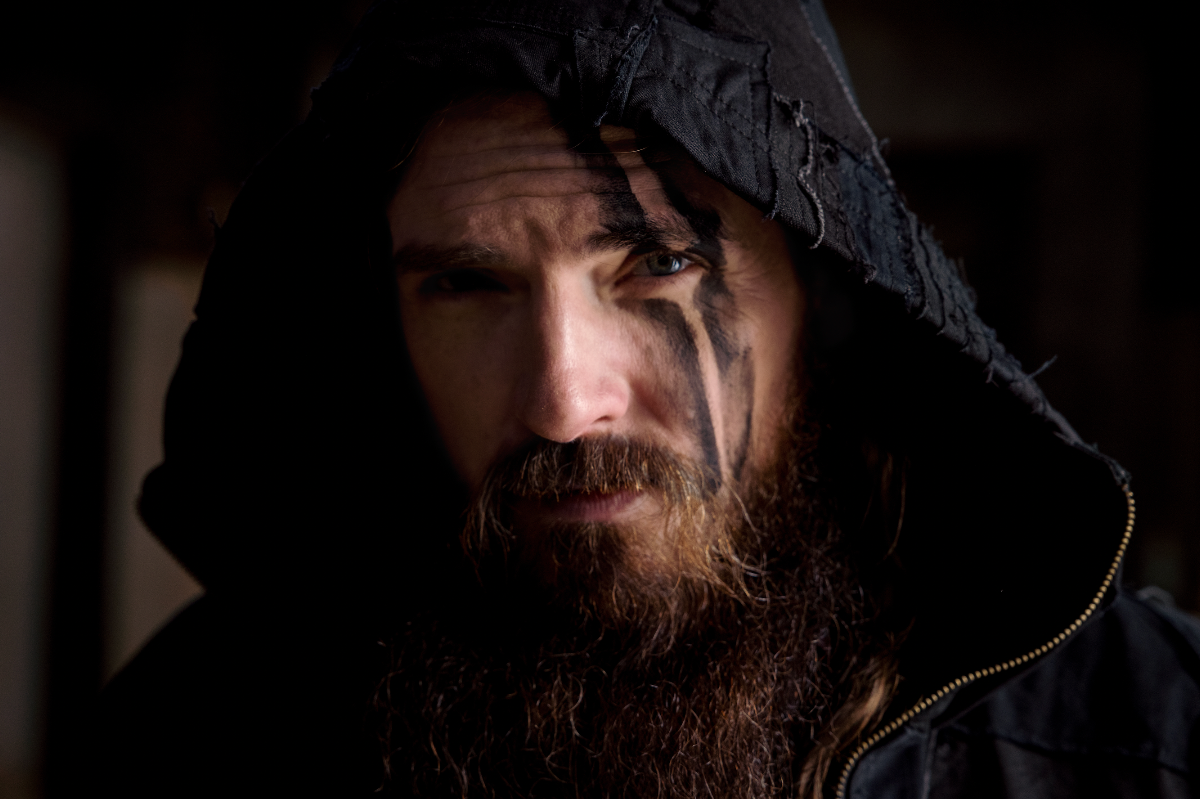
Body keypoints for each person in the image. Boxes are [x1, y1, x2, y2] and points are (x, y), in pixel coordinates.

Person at [94, 0, 1199, 796]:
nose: (563, 402)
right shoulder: (202, 731)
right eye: (467, 283)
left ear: (825, 299)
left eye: (660, 265)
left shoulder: (1157, 738)